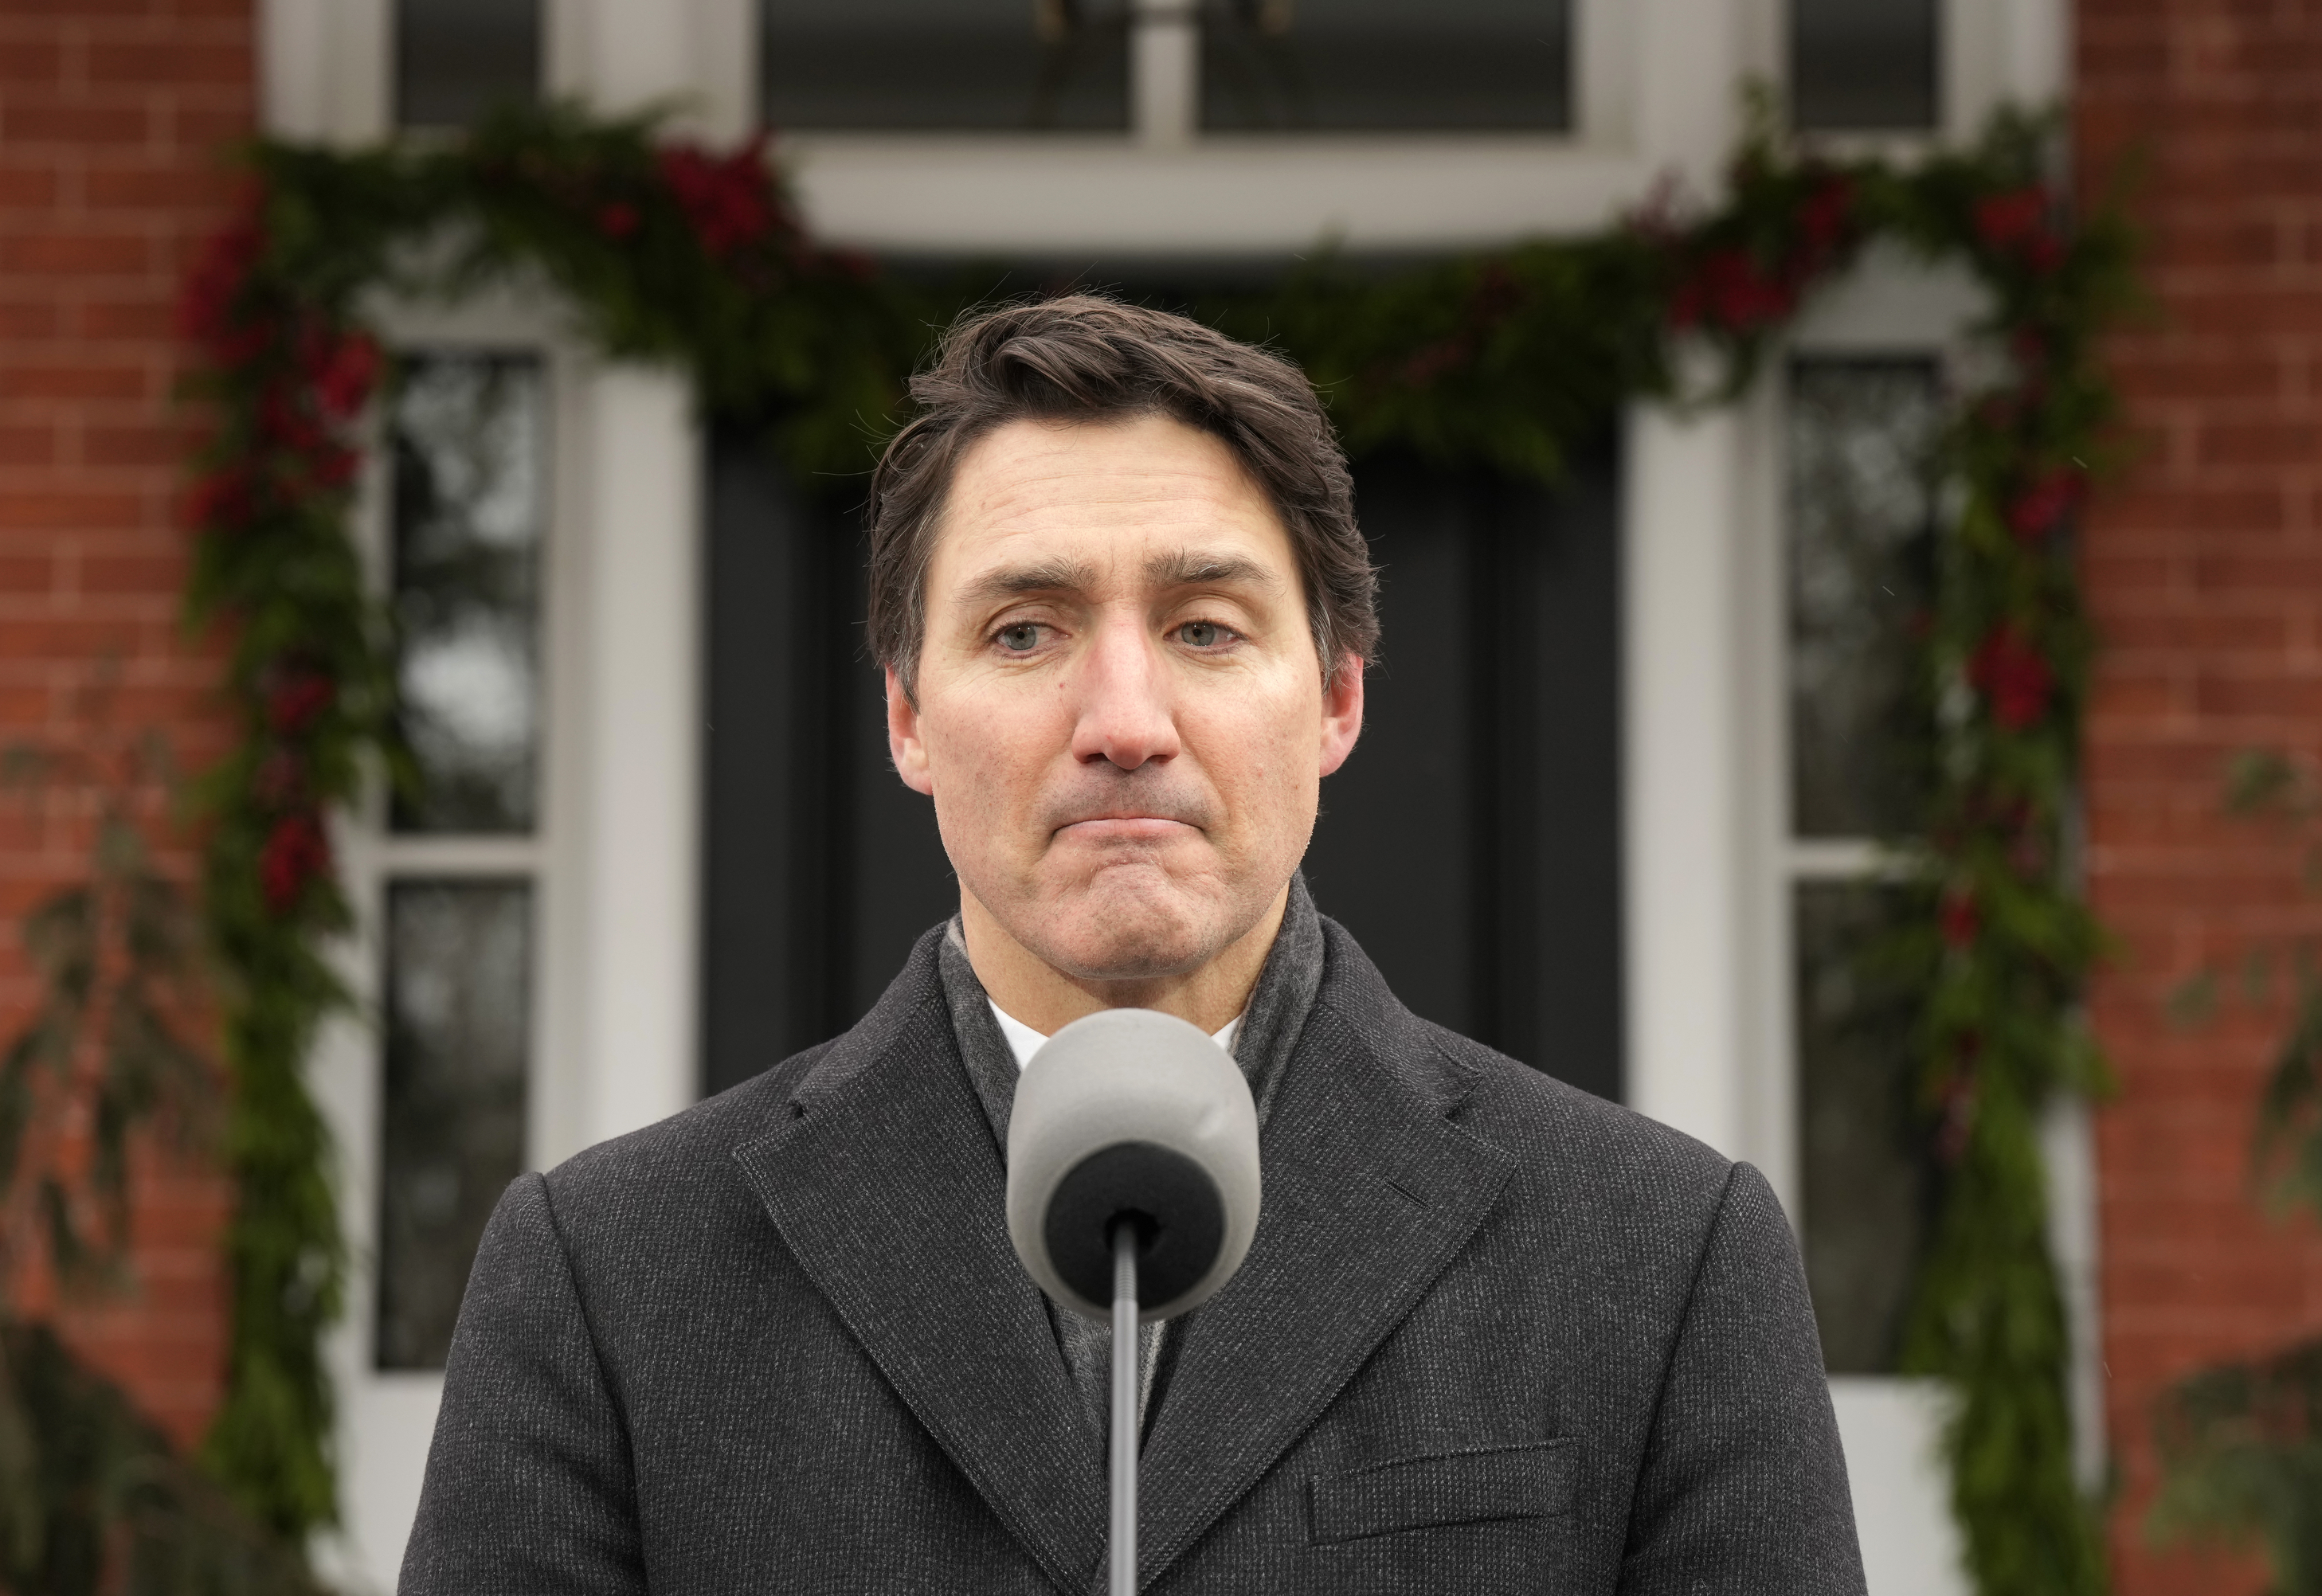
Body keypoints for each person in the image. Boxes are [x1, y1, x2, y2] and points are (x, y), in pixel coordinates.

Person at [400, 296, 1863, 1593]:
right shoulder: (605, 1280)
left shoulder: (1667, 1262)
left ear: (1339, 698)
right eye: (1026, 632)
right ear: (908, 715)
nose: (1123, 723)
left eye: (1208, 628)